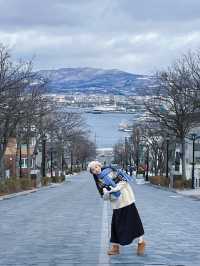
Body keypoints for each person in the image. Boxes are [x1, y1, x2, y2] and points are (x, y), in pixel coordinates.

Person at [87, 160, 146, 256]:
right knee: (115, 225)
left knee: (134, 222)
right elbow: (104, 196)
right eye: (93, 170)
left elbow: (124, 181)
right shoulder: (99, 180)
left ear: (100, 166)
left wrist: (115, 189)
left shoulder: (112, 171)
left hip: (126, 199)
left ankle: (141, 242)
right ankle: (115, 247)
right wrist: (106, 194)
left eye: (96, 167)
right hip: (116, 204)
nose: (96, 170)